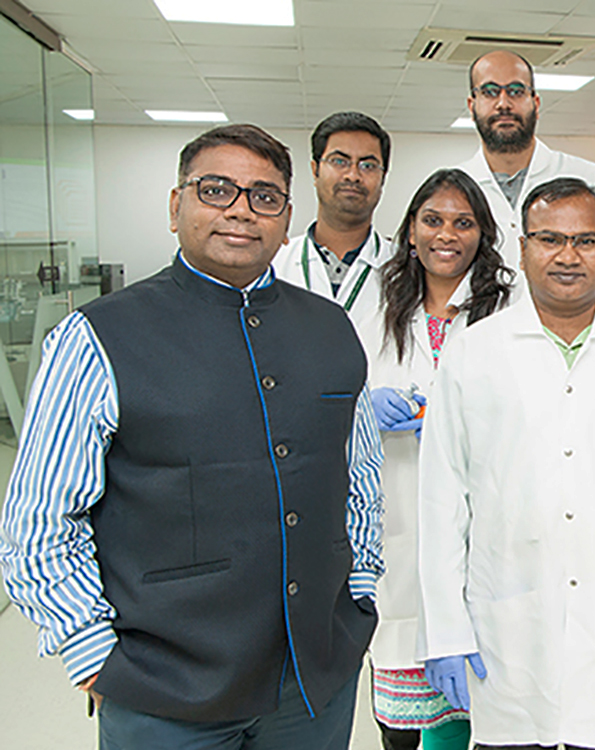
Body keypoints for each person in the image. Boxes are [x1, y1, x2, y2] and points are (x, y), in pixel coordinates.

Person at [0, 123, 384, 749]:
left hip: (314, 681)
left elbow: (360, 476)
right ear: (176, 207)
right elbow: (40, 520)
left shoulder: (331, 327)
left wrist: (359, 592)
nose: (240, 209)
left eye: (264, 197)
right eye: (215, 190)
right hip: (164, 693)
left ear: (286, 220)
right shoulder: (99, 336)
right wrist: (92, 652)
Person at [417, 177, 595, 749]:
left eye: (587, 240)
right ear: (522, 248)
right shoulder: (473, 354)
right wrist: (445, 628)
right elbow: (441, 503)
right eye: (549, 238)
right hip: (504, 637)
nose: (568, 256)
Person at [365, 169, 514, 749]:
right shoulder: (379, 301)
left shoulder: (509, 307)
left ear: (483, 233)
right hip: (398, 512)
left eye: (463, 222)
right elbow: (342, 382)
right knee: (402, 726)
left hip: (486, 523)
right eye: (432, 220)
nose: (445, 234)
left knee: (485, 718)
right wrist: (365, 408)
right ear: (409, 231)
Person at [460, 50, 595, 272]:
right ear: (472, 106)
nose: (503, 103)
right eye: (490, 92)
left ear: (536, 103)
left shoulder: (589, 179)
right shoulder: (454, 189)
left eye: (516, 91)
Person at [275, 111, 394, 337]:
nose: (353, 175)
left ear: (383, 178)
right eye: (339, 161)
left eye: (368, 166)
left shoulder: (404, 269)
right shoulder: (275, 262)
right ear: (315, 170)